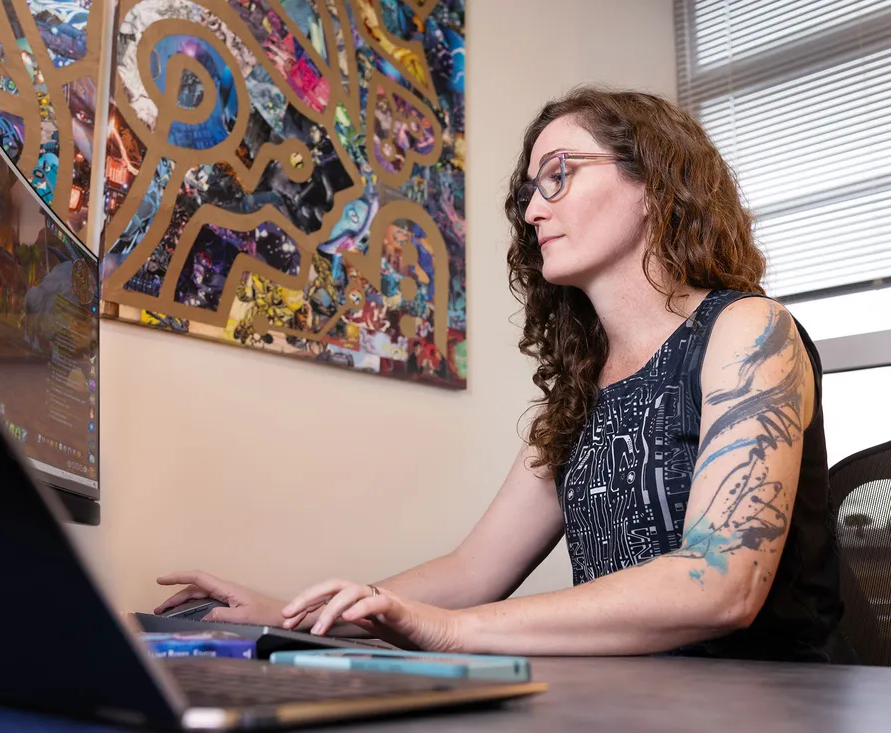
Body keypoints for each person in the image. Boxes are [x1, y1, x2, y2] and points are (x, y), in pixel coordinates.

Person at [156, 86, 847, 662]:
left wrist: (452, 630)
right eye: (528, 192)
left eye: (559, 175)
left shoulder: (750, 330)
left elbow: (721, 582)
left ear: (653, 184)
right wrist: (290, 610)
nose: (535, 209)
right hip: (630, 701)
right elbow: (473, 570)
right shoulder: (584, 387)